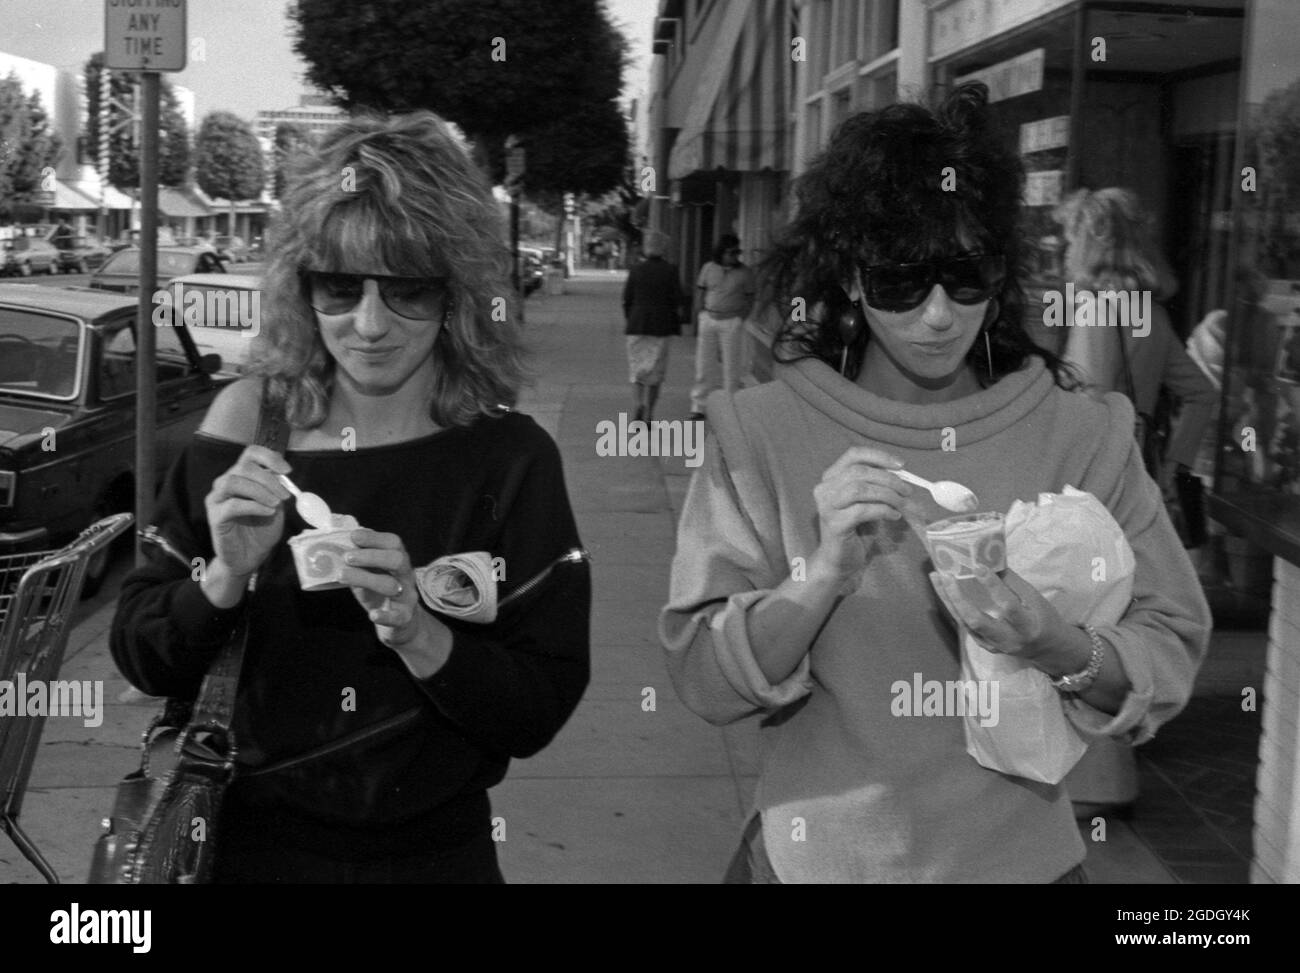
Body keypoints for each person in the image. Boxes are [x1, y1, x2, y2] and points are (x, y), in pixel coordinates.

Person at [659, 83, 1210, 883]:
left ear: (1002, 270)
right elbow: (704, 679)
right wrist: (821, 578)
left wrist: (1051, 641)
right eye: (899, 281)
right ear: (850, 278)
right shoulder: (760, 434)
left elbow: (1173, 644)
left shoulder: (1084, 433)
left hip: (1025, 866)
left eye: (966, 275)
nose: (939, 315)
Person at [110, 111, 592, 884]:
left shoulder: (508, 459)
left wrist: (419, 632)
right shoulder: (247, 423)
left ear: (457, 295)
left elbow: (538, 708)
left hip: (435, 862)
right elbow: (141, 651)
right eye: (339, 287)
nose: (369, 325)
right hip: (246, 855)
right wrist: (224, 579)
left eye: (408, 291)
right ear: (303, 288)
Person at [1054, 187, 1218, 496]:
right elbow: (1202, 393)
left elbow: (1092, 404)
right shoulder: (1151, 312)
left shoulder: (1097, 311)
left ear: (1088, 245)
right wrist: (1173, 464)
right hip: (1137, 476)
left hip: (1095, 484)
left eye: (1072, 240)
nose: (1066, 252)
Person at [689, 234, 755, 421]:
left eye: (737, 252)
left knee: (732, 365)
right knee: (704, 364)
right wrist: (698, 315)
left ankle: (730, 406)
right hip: (708, 318)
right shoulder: (709, 268)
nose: (735, 256)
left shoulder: (745, 273)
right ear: (721, 252)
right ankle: (699, 406)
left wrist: (741, 318)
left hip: (731, 321)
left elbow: (750, 297)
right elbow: (700, 292)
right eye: (731, 252)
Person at [623, 230, 686, 422]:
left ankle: (638, 404)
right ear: (664, 248)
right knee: (656, 373)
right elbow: (678, 299)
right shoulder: (670, 270)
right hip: (661, 327)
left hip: (637, 325)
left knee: (637, 371)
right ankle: (650, 413)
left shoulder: (636, 270)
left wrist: (632, 317)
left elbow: (627, 299)